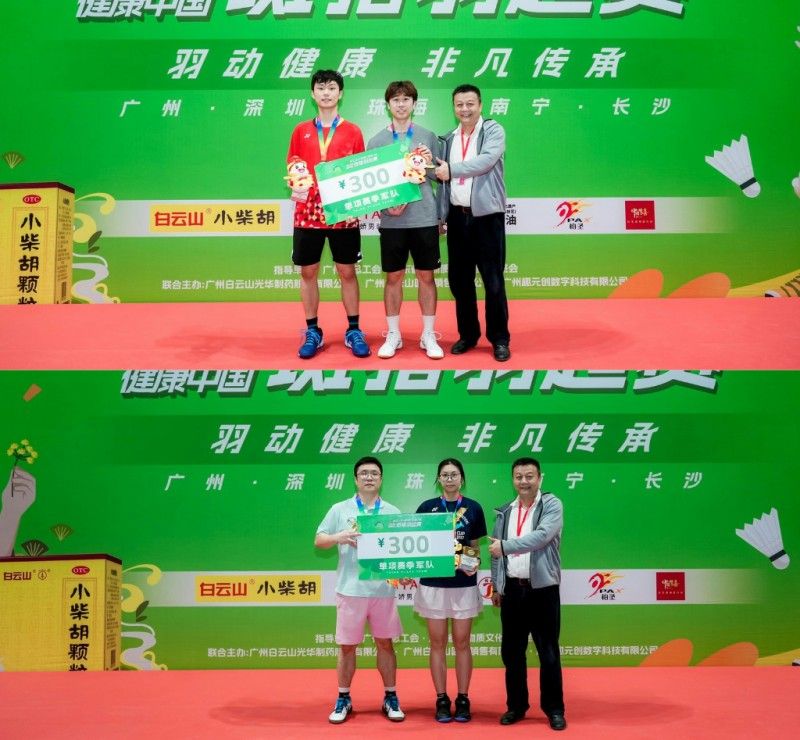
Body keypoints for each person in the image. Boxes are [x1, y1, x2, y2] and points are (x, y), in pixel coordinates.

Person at [286, 69, 370, 360]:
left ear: (340, 93)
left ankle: (354, 330)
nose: (326, 93)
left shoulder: (353, 131)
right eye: (320, 88)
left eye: (332, 87)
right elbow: (293, 164)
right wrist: (297, 181)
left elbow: (360, 170)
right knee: (308, 271)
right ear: (313, 94)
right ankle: (313, 330)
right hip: (307, 211)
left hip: (343, 211)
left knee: (347, 271)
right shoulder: (300, 130)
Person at [314, 456, 405, 724]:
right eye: (363, 473)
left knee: (385, 644)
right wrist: (339, 537)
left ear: (381, 479)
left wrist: (402, 571)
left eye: (374, 473)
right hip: (350, 590)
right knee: (346, 647)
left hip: (382, 590)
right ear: (355, 479)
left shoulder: (392, 511)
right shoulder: (340, 509)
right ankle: (343, 697)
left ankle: (390, 696)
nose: (369, 477)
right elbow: (319, 540)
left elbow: (401, 550)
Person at [367, 81, 444, 360]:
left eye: (406, 99)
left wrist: (429, 163)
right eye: (396, 99)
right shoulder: (376, 142)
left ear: (414, 104)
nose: (401, 104)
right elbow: (372, 185)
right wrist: (387, 206)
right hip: (393, 222)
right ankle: (393, 334)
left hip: (424, 217)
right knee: (393, 277)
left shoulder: (427, 136)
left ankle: (428, 334)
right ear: (388, 105)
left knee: (426, 276)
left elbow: (439, 177)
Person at [434, 84, 511, 362]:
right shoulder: (448, 139)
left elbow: (485, 161)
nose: (464, 109)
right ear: (453, 107)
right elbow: (440, 177)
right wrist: (417, 165)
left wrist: (451, 170)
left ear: (480, 105)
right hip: (457, 217)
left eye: (470, 104)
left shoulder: (493, 131)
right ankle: (468, 335)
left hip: (487, 218)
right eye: (459, 104)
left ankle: (499, 339)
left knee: (493, 281)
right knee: (460, 281)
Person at [488, 457, 566, 730]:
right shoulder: (505, 511)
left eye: (529, 476)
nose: (524, 481)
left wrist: (505, 546)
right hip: (512, 591)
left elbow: (542, 536)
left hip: (543, 591)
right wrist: (497, 586)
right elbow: (495, 553)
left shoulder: (551, 505)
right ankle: (516, 706)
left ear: (540, 478)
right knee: (512, 653)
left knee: (548, 652)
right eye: (519, 476)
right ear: (513, 480)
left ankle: (554, 709)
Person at [414, 458, 487, 722]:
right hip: (433, 584)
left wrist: (473, 563)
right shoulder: (427, 508)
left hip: (463, 584)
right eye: (444, 475)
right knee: (437, 643)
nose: (449, 479)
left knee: (462, 642)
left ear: (462, 478)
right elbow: (418, 545)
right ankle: (442, 699)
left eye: (454, 474)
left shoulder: (473, 508)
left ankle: (463, 698)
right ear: (438, 479)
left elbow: (475, 547)